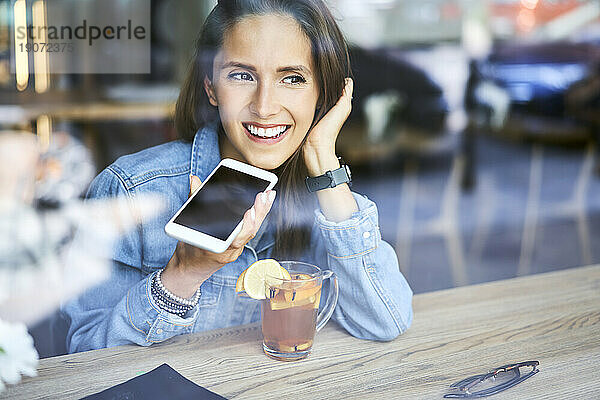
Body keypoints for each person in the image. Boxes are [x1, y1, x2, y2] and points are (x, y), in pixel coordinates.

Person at [63, 0, 413, 353]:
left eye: (292, 78)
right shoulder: (130, 190)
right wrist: (182, 274)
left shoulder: (321, 192)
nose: (264, 106)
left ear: (323, 91)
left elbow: (384, 320)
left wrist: (323, 162)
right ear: (211, 86)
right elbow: (85, 354)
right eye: (242, 75)